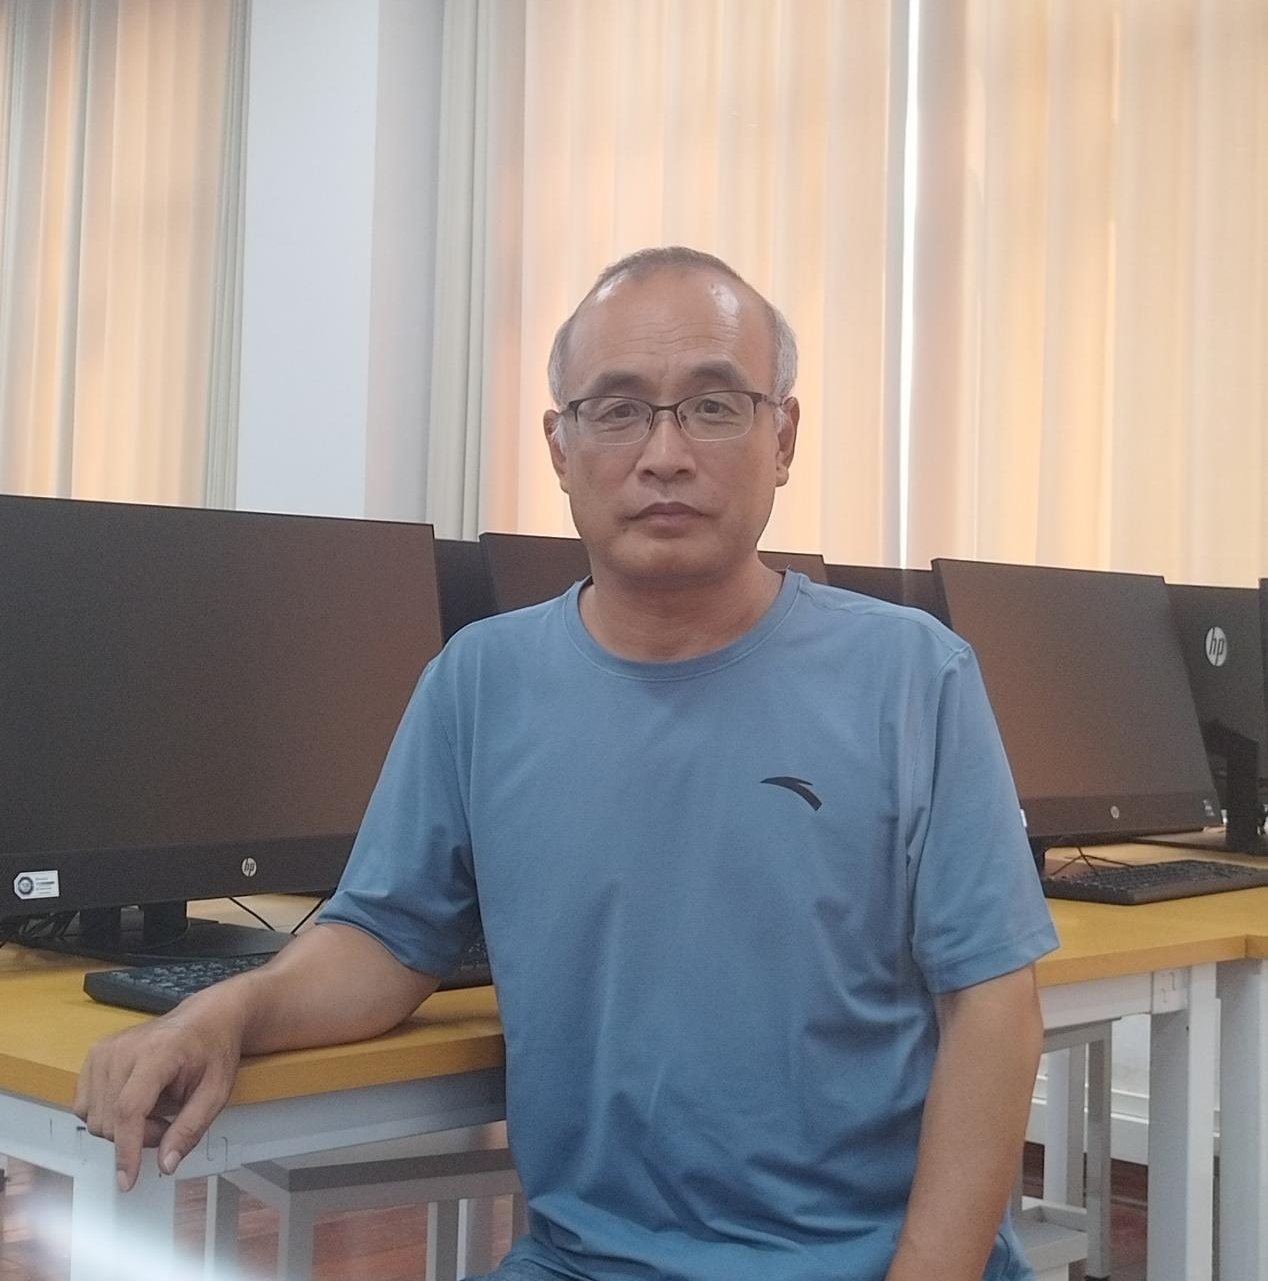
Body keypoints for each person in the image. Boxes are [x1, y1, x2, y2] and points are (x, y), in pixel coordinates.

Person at [77, 247, 1058, 1281]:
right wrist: (227, 1010)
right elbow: (384, 939)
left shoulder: (910, 676)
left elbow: (992, 1006)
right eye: (618, 410)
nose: (664, 454)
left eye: (712, 406)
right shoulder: (480, 682)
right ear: (559, 445)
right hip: (585, 1260)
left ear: (782, 437)